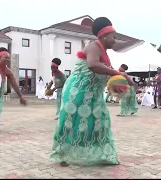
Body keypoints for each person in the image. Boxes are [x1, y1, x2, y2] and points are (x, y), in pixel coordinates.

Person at [51, 17, 129, 167]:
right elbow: (92, 64)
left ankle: (102, 153)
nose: (115, 40)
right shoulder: (94, 46)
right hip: (78, 91)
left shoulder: (105, 55)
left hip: (93, 94)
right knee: (72, 123)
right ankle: (63, 153)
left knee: (101, 121)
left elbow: (104, 75)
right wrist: (115, 73)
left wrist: (119, 84)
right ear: (104, 36)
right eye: (113, 36)